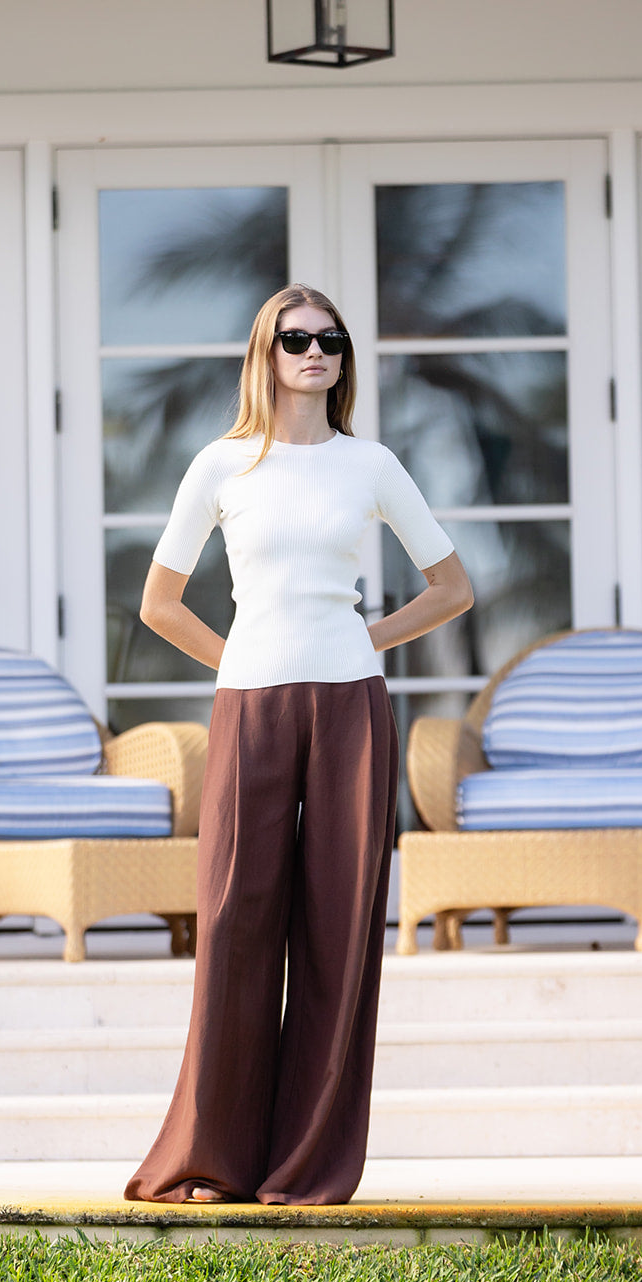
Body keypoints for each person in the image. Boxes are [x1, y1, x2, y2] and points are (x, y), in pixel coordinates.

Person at [123, 284, 472, 1207]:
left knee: (337, 931)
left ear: (344, 358)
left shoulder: (371, 464)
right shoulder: (221, 464)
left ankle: (307, 1166)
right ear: (266, 353)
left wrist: (366, 639)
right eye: (295, 339)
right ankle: (210, 1161)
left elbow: (453, 589)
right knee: (233, 925)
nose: (314, 352)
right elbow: (160, 603)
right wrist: (236, 656)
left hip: (351, 705)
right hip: (250, 706)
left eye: (330, 339)